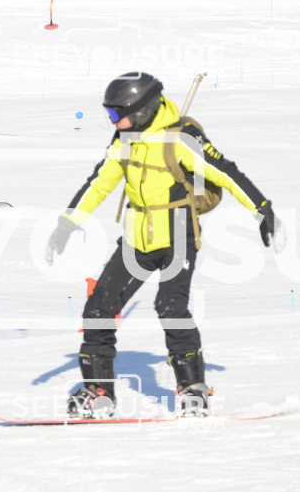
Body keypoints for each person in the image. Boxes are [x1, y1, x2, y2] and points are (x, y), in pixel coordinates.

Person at [46, 72, 283, 418]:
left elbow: (226, 173)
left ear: (141, 110)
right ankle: (99, 392)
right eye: (109, 113)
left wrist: (262, 210)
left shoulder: (181, 139)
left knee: (170, 307)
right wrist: (68, 223)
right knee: (98, 308)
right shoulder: (125, 139)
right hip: (136, 239)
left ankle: (193, 389)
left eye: (117, 114)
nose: (112, 121)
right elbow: (99, 183)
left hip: (178, 238)